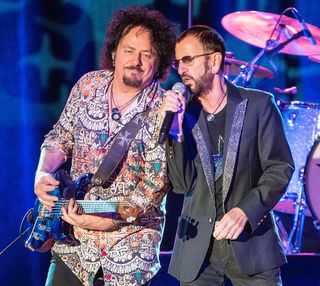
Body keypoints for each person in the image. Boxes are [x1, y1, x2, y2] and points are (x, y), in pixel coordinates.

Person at [33, 6, 176, 286]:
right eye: (128, 50)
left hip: (129, 245)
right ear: (113, 52)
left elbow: (155, 186)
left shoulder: (164, 108)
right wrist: (42, 173)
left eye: (146, 54)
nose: (135, 60)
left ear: (158, 64)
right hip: (74, 239)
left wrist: (108, 222)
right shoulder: (88, 86)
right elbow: (60, 136)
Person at [161, 25, 294, 285]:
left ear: (214, 61)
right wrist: (175, 133)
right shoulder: (185, 116)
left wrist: (245, 210)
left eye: (188, 60)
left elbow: (279, 168)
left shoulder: (259, 105)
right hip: (198, 251)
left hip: (252, 244)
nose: (181, 69)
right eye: (178, 63)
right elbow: (181, 184)